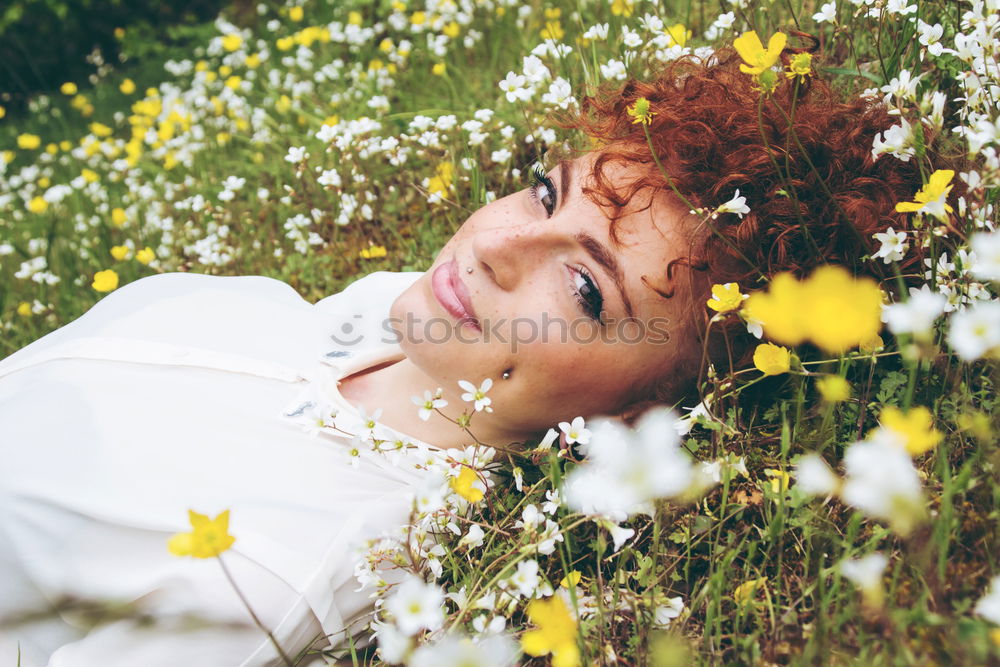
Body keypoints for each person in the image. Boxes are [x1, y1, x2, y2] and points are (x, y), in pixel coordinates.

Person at [0, 46, 930, 666]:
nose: (493, 245)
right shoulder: (395, 315)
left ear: (638, 419)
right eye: (541, 192)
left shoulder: (266, 581)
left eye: (583, 289)